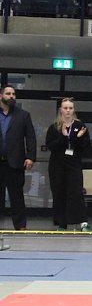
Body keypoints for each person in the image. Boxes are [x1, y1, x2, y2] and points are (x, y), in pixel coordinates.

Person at [45, 98, 91, 232]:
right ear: (61, 110)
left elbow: (86, 146)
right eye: (65, 108)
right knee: (59, 193)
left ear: (74, 110)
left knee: (76, 192)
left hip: (74, 164)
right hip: (57, 165)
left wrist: (78, 137)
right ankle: (61, 223)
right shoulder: (54, 127)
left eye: (70, 108)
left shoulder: (80, 126)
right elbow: (51, 146)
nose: (68, 111)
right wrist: (63, 136)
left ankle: (83, 222)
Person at [0, 86, 36, 231]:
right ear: (1, 96)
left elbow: (31, 137)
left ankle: (20, 225)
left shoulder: (23, 115)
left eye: (13, 94)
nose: (11, 96)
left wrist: (31, 157)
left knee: (17, 196)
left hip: (15, 162)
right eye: (8, 94)